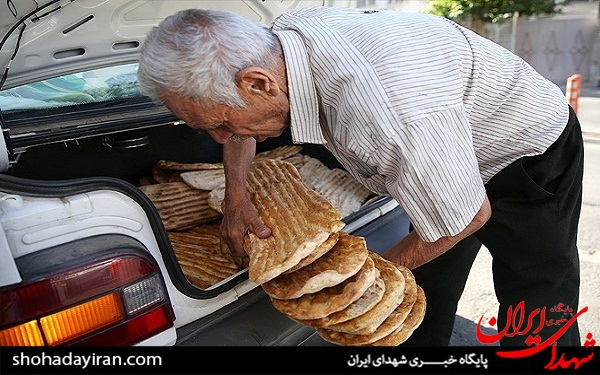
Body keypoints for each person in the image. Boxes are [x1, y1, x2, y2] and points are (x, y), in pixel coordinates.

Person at [137, 6, 584, 347]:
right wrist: (237, 197)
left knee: (537, 285)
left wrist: (357, 280)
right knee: (424, 282)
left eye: (220, 123)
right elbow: (233, 122)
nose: (221, 137)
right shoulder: (278, 43)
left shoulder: (386, 115)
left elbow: (467, 216)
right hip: (434, 140)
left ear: (258, 84)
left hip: (524, 144)